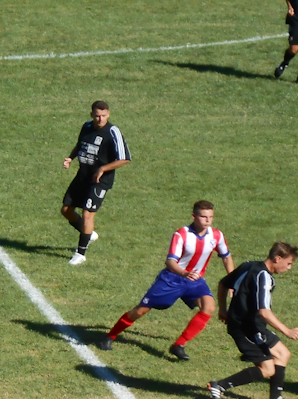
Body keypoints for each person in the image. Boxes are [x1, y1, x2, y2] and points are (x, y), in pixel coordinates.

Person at [98, 201, 234, 360]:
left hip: (194, 281)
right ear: (194, 217)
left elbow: (226, 257)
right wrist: (184, 273)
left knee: (209, 307)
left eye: (210, 217)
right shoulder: (181, 234)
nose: (207, 220)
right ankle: (110, 336)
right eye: (203, 216)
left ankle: (179, 345)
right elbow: (170, 261)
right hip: (172, 279)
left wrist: (233, 280)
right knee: (141, 310)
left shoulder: (217, 236)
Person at [208, 242, 298, 399]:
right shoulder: (264, 277)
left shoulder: (249, 265)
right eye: (289, 263)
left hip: (250, 325)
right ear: (278, 258)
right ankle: (220, 386)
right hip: (246, 328)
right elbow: (264, 312)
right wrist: (287, 331)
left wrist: (223, 309)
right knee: (268, 369)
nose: (289, 268)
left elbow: (223, 283)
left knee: (283, 353)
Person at [60, 100, 131, 266]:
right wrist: (71, 158)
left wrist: (103, 169)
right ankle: (89, 234)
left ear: (109, 114)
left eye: (104, 116)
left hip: (99, 181)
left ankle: (80, 253)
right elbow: (81, 145)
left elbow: (125, 158)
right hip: (83, 176)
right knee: (66, 210)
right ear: (91, 114)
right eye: (97, 116)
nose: (100, 119)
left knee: (87, 214)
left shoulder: (113, 132)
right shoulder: (86, 126)